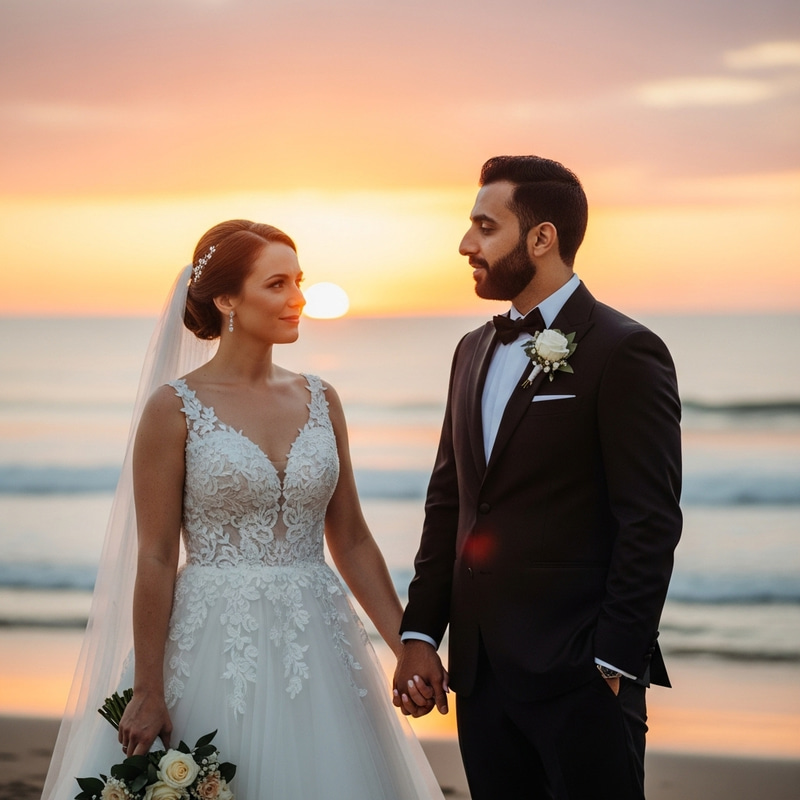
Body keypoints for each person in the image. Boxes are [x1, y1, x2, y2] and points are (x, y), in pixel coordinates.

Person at [43, 220, 444, 800]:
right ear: (227, 298)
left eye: (299, 281)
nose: (298, 298)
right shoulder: (174, 408)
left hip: (320, 641)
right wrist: (149, 688)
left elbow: (352, 538)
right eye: (276, 284)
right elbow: (155, 556)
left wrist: (406, 645)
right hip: (213, 644)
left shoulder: (321, 398)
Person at [393, 156, 682, 799]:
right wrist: (420, 634)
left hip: (580, 676)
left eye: (485, 227)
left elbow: (651, 520)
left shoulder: (624, 350)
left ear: (541, 238)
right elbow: (451, 506)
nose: (466, 244)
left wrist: (611, 661)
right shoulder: (471, 350)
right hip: (482, 677)